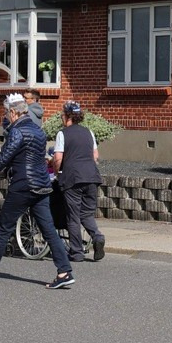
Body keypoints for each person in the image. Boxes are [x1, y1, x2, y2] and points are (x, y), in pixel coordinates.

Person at [0, 93, 74, 289]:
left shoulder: (17, 131)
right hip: (41, 186)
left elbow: (1, 160)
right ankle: (64, 271)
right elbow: (28, 158)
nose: (5, 117)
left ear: (13, 112)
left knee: (3, 229)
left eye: (6, 113)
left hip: (23, 186)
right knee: (49, 230)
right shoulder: (38, 130)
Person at [52, 101, 106, 262]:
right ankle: (97, 236)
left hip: (73, 179)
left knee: (73, 216)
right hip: (92, 176)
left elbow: (57, 158)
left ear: (67, 116)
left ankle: (76, 252)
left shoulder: (63, 133)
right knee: (86, 213)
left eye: (62, 114)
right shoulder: (88, 132)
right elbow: (95, 156)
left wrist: (57, 173)